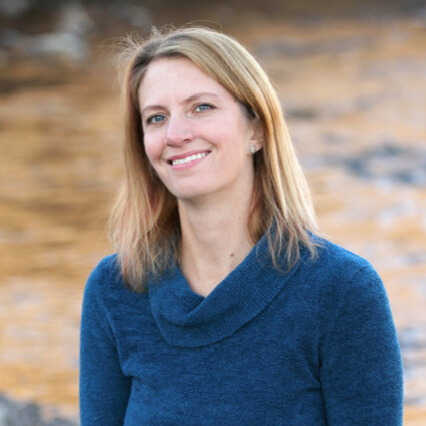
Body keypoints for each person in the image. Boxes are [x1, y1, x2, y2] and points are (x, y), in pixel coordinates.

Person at [79, 27, 403, 425]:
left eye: (201, 107)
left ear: (257, 128)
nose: (176, 134)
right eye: (156, 118)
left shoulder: (342, 291)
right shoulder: (115, 288)